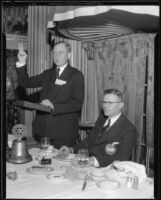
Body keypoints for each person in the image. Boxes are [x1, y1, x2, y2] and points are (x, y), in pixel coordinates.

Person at [16, 41, 84, 148]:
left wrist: (54, 107)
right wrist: (22, 62)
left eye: (60, 52)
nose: (56, 56)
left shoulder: (76, 75)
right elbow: (25, 82)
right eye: (54, 53)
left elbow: (77, 103)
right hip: (43, 130)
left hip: (63, 132)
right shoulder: (48, 73)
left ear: (69, 55)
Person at [59, 89, 137, 167]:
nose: (105, 106)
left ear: (121, 105)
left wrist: (94, 161)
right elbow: (89, 141)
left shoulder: (128, 129)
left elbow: (122, 157)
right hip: (88, 164)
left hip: (108, 169)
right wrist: (71, 149)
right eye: (104, 102)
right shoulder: (102, 119)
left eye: (110, 103)